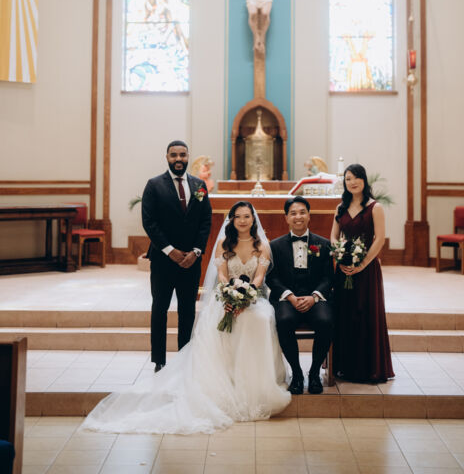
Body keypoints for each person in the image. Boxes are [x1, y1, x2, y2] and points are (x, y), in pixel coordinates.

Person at [82, 201, 290, 434]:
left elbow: (259, 277)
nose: (242, 221)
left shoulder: (263, 245)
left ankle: (254, 383)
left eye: (247, 216)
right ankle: (225, 380)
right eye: (238, 217)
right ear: (231, 220)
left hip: (252, 299)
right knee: (220, 321)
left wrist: (245, 296)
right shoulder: (223, 243)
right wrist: (230, 294)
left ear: (253, 219)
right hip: (225, 297)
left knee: (259, 319)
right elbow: (222, 275)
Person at [141, 140, 212, 372]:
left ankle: (184, 359)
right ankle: (159, 361)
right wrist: (169, 250)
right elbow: (149, 222)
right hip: (163, 259)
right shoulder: (154, 185)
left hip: (191, 260)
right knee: (159, 308)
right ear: (167, 157)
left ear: (188, 157)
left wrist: (196, 251)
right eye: (174, 155)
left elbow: (205, 221)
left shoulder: (199, 185)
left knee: (187, 310)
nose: (178, 159)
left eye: (182, 155)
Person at [330, 163, 394, 383]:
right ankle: (344, 366)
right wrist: (340, 256)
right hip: (344, 269)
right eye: (348, 179)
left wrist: (363, 263)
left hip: (366, 271)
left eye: (356, 177)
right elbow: (333, 236)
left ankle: (368, 369)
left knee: (365, 315)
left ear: (364, 180)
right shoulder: (340, 208)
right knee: (345, 314)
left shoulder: (375, 207)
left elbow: (380, 239)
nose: (352, 182)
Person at [266, 196, 334, 395]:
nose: (298, 217)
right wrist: (290, 297)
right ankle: (296, 373)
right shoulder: (274, 246)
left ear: (309, 216)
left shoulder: (324, 244)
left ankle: (314, 373)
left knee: (326, 320)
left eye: (302, 212)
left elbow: (328, 277)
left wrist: (314, 297)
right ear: (286, 218)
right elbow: (272, 278)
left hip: (316, 298)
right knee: (284, 320)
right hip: (287, 298)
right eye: (293, 213)